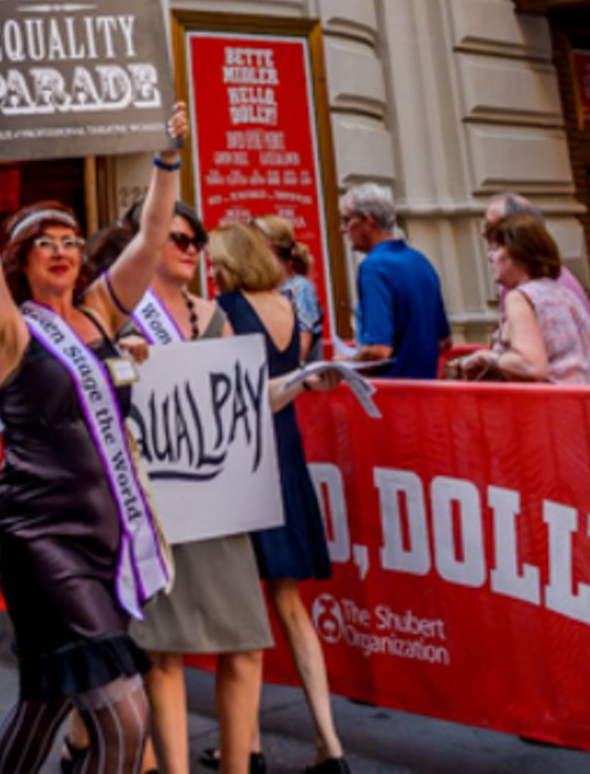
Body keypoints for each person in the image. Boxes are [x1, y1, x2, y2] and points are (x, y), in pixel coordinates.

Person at [0, 88, 188, 774]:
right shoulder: (10, 333)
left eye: (72, 240)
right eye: (45, 243)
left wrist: (167, 156)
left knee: (46, 704)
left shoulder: (103, 311)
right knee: (123, 714)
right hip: (42, 540)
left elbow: (150, 233)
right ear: (23, 258)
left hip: (105, 537)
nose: (62, 251)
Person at [123, 201, 272, 774]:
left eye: (197, 239)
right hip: (158, 504)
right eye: (178, 237)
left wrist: (298, 387)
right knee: (163, 651)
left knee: (245, 643)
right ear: (146, 242)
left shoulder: (214, 315)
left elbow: (243, 402)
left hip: (219, 496)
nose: (191, 248)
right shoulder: (120, 317)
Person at [210, 223, 349, 774]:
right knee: (291, 605)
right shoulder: (292, 306)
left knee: (243, 608)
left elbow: (231, 393)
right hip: (288, 451)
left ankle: (247, 747)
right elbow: (300, 377)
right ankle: (330, 743)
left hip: (244, 456)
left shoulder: (222, 311)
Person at [447, 212, 590, 385]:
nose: (489, 257)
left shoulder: (520, 297)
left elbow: (531, 367)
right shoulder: (562, 292)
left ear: (520, 253)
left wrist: (483, 358)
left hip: (552, 407)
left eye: (495, 248)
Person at [339, 184, 450, 379]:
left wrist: (343, 366)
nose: (342, 229)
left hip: (391, 394)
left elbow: (378, 350)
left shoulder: (373, 268)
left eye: (347, 220)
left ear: (369, 220)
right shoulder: (420, 261)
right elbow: (444, 342)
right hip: (427, 393)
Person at [483, 195, 590, 344]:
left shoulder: (526, 293)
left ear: (518, 239)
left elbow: (530, 361)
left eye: (491, 229)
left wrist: (491, 360)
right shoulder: (548, 280)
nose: (484, 234)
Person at [255, 216, 323, 364]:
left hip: (300, 381)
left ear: (269, 246)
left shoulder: (300, 288)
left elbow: (302, 347)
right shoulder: (264, 289)